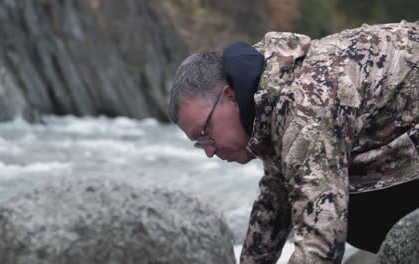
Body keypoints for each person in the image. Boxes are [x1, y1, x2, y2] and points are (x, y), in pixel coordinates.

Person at [167, 21, 419, 263]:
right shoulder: (267, 93)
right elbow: (276, 204)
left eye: (205, 132)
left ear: (229, 96)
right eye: (199, 143)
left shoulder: (302, 104)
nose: (209, 151)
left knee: (348, 210)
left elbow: (321, 242)